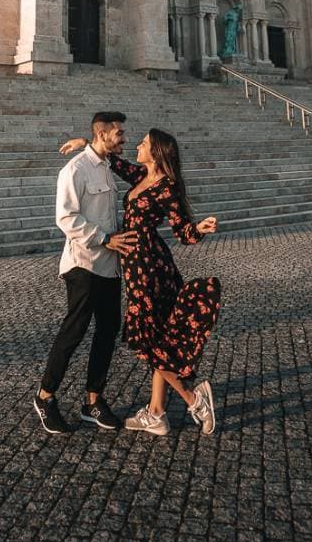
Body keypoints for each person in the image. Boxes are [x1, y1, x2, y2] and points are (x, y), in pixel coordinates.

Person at [60, 128, 221, 436]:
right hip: (134, 265)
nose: (137, 145)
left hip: (151, 269)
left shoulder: (166, 187)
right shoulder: (140, 176)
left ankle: (194, 398)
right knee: (157, 338)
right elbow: (112, 160)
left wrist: (199, 228)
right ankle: (157, 412)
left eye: (144, 143)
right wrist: (86, 142)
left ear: (157, 152)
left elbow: (182, 230)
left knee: (146, 340)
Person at [34, 111, 138, 435]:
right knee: (74, 330)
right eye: (119, 133)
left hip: (109, 266)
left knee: (108, 330)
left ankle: (93, 400)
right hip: (83, 262)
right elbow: (65, 218)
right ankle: (45, 396)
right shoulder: (74, 169)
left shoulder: (106, 167)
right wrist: (106, 238)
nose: (124, 138)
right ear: (103, 134)